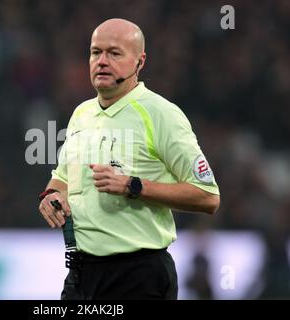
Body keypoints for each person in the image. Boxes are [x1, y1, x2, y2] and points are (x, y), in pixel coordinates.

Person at [38, 18, 220, 300]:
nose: (101, 61)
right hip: (81, 272)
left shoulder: (161, 114)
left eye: (114, 53)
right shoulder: (81, 114)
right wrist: (53, 194)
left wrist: (133, 186)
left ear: (140, 61)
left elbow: (208, 197)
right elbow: (63, 178)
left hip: (138, 275)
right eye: (95, 52)